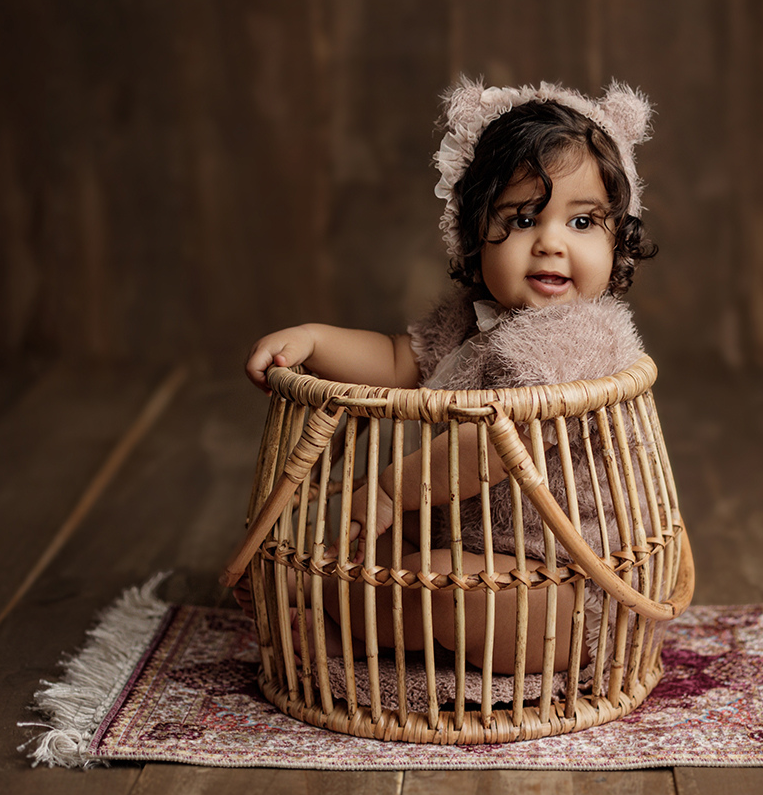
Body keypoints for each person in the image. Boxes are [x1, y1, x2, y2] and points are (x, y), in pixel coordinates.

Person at [238, 78, 658, 674]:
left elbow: (491, 442)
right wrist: (315, 340)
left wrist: (389, 490)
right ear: (471, 230)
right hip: (471, 550)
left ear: (620, 240)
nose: (550, 244)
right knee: (372, 550)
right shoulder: (466, 324)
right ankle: (357, 616)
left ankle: (355, 627)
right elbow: (394, 361)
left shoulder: (583, 339)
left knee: (447, 584)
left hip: (565, 585)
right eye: (521, 219)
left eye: (583, 223)